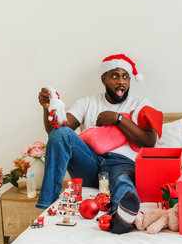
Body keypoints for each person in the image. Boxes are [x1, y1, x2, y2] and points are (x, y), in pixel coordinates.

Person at [37, 54, 162, 234]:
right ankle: (47, 205)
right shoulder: (87, 103)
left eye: (125, 76)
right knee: (61, 133)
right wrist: (48, 108)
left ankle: (122, 216)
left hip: (122, 163)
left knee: (122, 180)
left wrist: (118, 119)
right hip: (90, 164)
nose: (121, 82)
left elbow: (150, 141)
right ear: (103, 78)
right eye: (115, 76)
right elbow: (56, 133)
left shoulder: (140, 103)